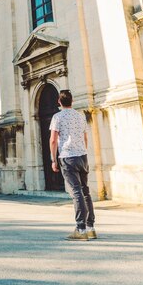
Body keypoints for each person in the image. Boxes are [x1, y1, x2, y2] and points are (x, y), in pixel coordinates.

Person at [49, 89, 96, 241]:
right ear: (72, 101)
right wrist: (84, 151)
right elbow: (85, 137)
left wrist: (53, 159)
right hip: (82, 156)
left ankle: (80, 229)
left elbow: (53, 140)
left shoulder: (57, 117)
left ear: (59, 101)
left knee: (76, 192)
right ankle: (91, 228)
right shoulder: (80, 116)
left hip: (68, 157)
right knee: (85, 191)